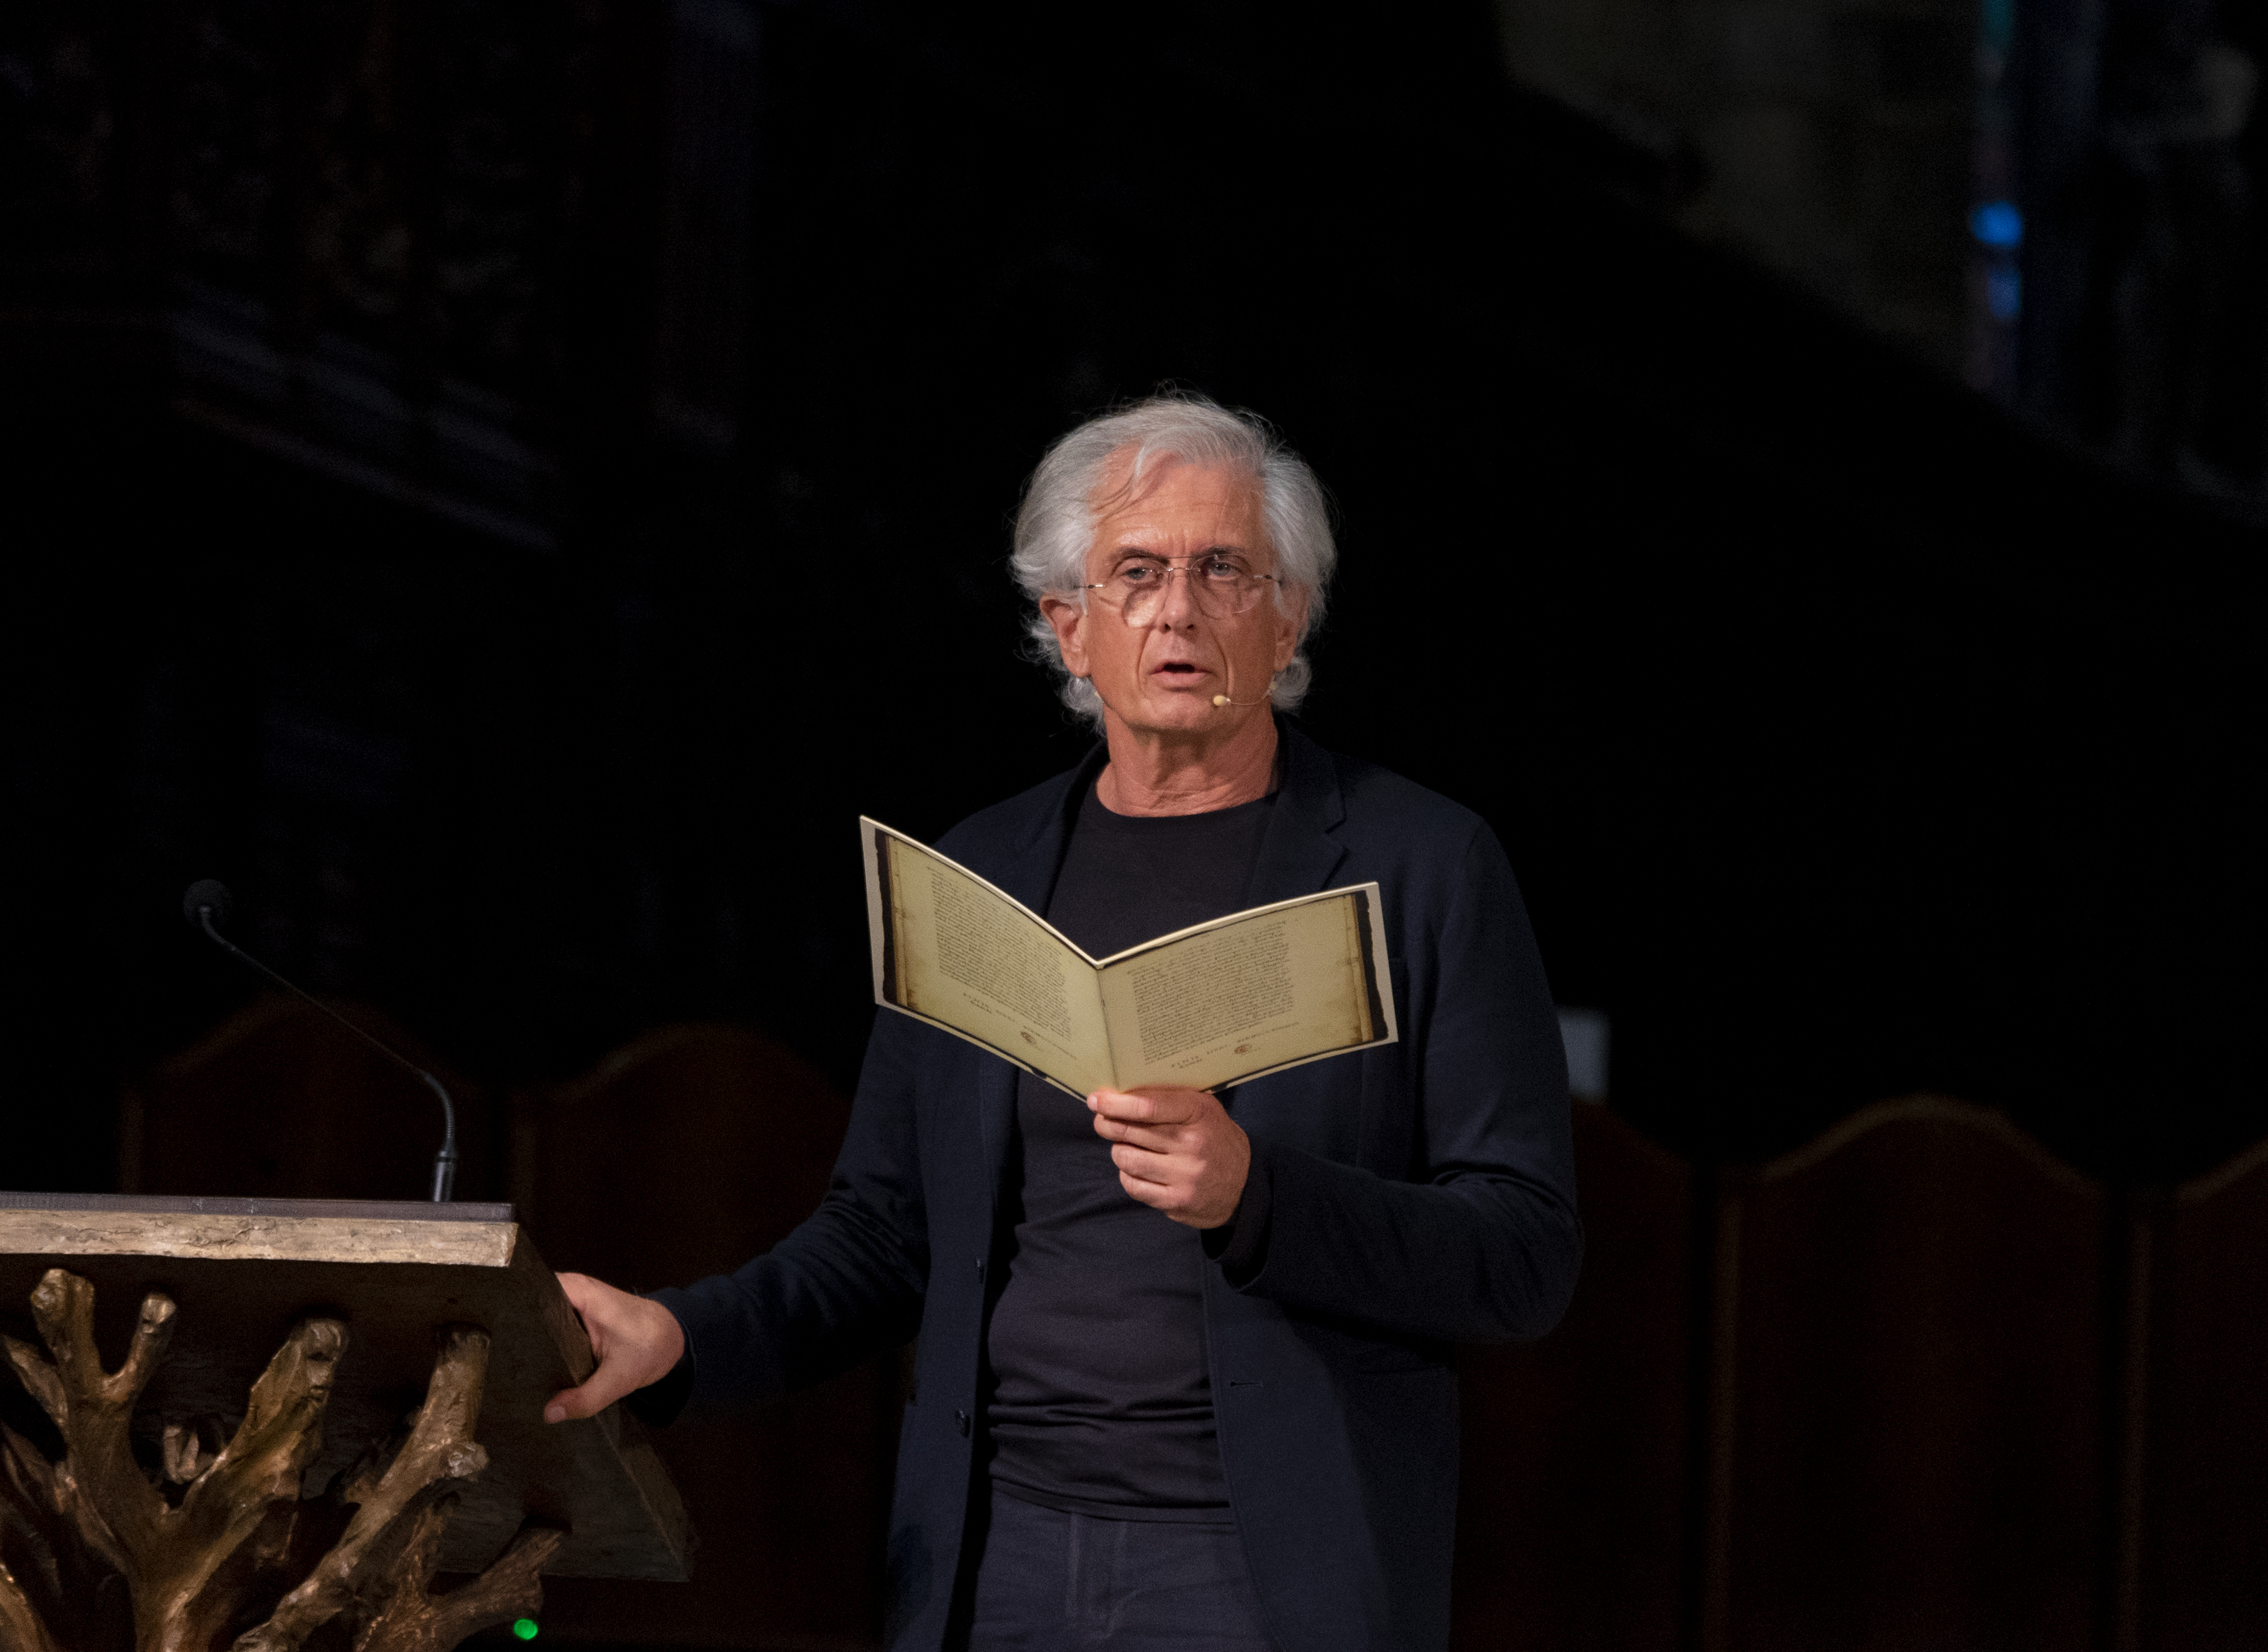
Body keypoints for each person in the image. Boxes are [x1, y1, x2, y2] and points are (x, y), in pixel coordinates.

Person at [546, 392, 1581, 1651]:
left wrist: (1259, 1194)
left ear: (1290, 614)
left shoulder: (1425, 866)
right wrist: (680, 1334)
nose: (1178, 611)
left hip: (1262, 1563)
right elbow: (882, 1234)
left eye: (1224, 571)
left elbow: (1523, 1254)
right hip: (998, 1547)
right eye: (1134, 573)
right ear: (1067, 627)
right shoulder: (983, 874)